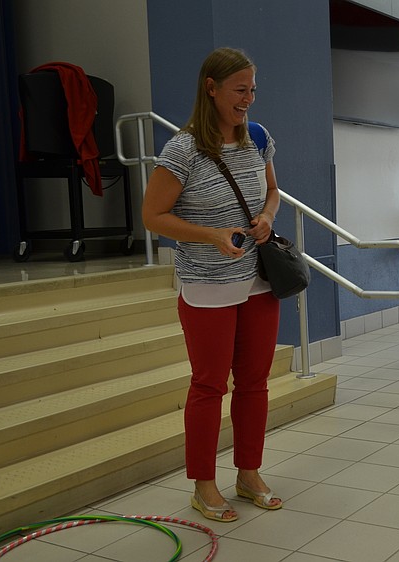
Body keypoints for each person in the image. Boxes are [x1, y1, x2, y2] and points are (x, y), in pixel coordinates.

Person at [142, 47, 283, 522]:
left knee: (255, 383)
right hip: (206, 285)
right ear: (211, 88)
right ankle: (204, 484)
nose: (249, 99)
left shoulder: (258, 138)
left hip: (257, 282)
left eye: (253, 90)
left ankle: (248, 473)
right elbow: (152, 215)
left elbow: (272, 191)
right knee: (208, 385)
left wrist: (265, 217)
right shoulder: (183, 149)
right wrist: (210, 235)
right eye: (240, 90)